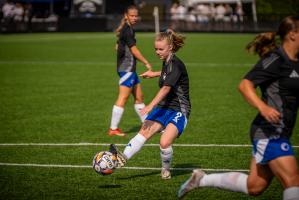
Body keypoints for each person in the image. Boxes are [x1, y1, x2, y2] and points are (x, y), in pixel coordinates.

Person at [178, 15, 299, 199]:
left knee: (255, 187)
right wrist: (263, 107)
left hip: (282, 131)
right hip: (269, 131)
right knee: (293, 182)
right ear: (292, 34)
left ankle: (201, 180)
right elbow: (245, 85)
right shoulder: (276, 59)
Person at [110, 29, 191, 179]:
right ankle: (123, 157)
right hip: (164, 107)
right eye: (156, 49)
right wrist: (154, 74)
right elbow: (167, 76)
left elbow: (166, 88)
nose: (157, 52)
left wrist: (150, 105)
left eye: (161, 49)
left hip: (179, 109)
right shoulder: (166, 61)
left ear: (170, 48)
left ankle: (165, 170)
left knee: (164, 141)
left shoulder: (176, 64)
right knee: (144, 130)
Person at [108, 5, 152, 137]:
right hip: (126, 69)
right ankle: (113, 128)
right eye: (131, 15)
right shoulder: (127, 30)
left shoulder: (127, 29)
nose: (134, 18)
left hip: (129, 68)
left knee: (139, 98)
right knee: (123, 97)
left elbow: (117, 46)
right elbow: (134, 50)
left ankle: (147, 126)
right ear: (126, 16)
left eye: (135, 15)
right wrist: (146, 62)